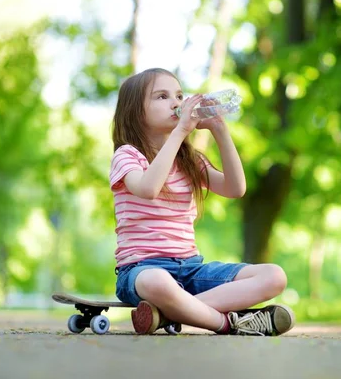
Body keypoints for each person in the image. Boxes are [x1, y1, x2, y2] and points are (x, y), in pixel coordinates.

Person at [110, 68, 295, 336]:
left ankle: (165, 315)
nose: (176, 103)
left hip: (191, 268)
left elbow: (235, 188)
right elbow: (149, 188)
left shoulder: (189, 160)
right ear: (136, 111)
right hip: (141, 270)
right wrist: (182, 130)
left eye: (179, 95)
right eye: (162, 97)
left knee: (275, 276)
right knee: (158, 281)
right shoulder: (127, 155)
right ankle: (229, 323)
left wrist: (220, 131)